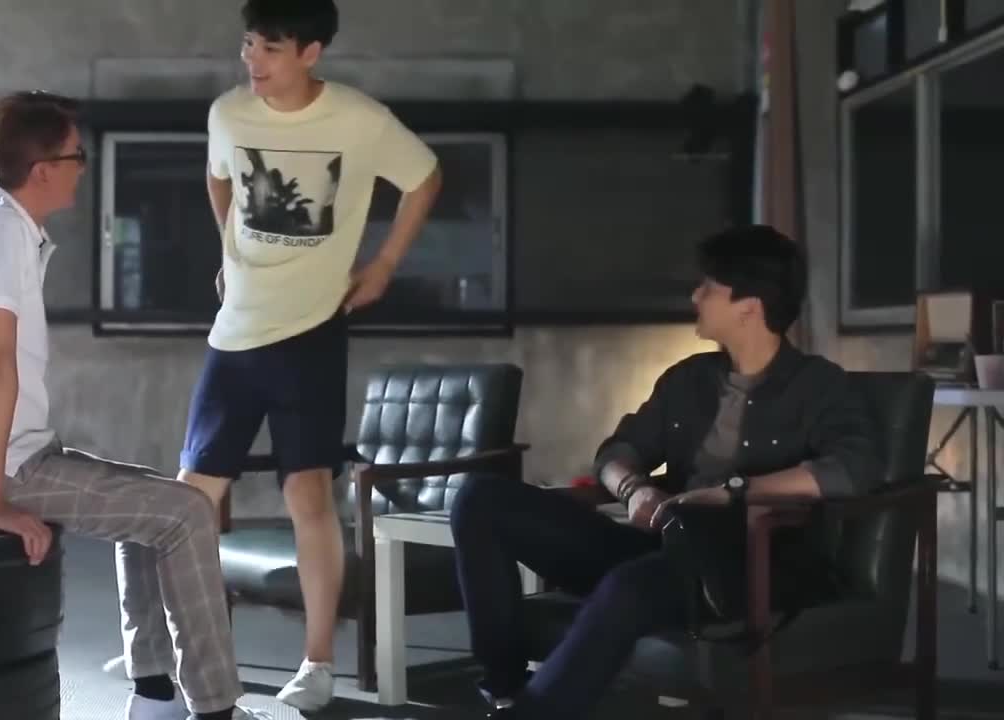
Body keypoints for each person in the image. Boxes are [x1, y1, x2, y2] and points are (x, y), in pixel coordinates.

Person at [0, 91, 268, 720]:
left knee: (155, 504)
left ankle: (154, 700)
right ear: (43, 170)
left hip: (4, 459)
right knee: (185, 511)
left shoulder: (1, 224)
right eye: (77, 155)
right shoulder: (0, 235)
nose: (84, 165)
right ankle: (216, 710)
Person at [449, 225, 880, 719]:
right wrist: (634, 489)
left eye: (709, 287)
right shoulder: (688, 379)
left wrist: (735, 492)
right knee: (481, 499)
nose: (695, 296)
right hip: (664, 545)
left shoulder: (818, 385)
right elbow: (616, 451)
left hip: (747, 566)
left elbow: (855, 467)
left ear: (749, 306)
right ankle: (504, 689)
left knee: (631, 585)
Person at [179, 0, 443, 711]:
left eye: (270, 48)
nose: (253, 61)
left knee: (307, 494)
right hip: (234, 335)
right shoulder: (229, 114)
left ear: (310, 52)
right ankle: (171, 647)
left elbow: (424, 177)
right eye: (248, 44)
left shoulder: (358, 119)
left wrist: (384, 263)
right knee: (190, 497)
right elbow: (218, 178)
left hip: (312, 332)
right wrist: (229, 249)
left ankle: (318, 663)